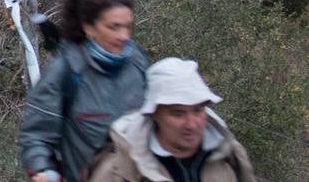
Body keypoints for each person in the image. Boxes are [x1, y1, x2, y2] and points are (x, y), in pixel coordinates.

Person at [21, 0, 150, 182]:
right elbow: (37, 136)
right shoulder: (65, 71)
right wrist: (43, 171)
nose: (124, 36)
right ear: (89, 27)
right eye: (114, 27)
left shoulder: (138, 63)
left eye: (128, 26)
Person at [84, 58, 254, 182]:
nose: (192, 124)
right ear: (154, 114)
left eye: (198, 110)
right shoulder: (119, 171)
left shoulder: (227, 156)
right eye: (178, 114)